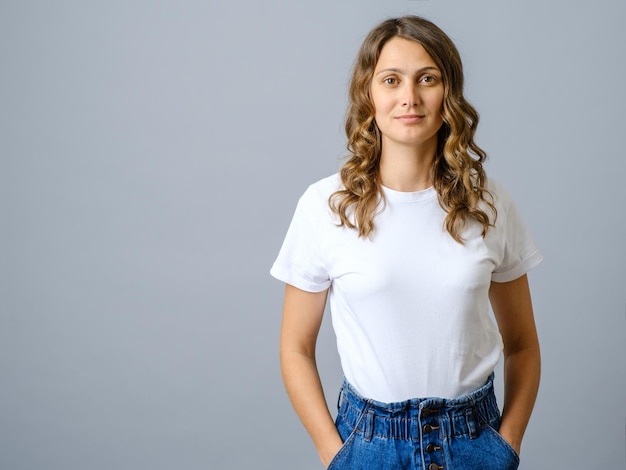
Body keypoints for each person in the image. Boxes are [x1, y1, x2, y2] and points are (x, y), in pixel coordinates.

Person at [270, 15, 542, 470]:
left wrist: (506, 445)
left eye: (427, 79)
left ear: (448, 94)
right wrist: (334, 454)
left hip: (474, 443)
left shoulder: (489, 203)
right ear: (369, 94)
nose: (409, 98)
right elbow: (295, 347)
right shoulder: (325, 205)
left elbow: (523, 345)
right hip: (368, 445)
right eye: (391, 80)